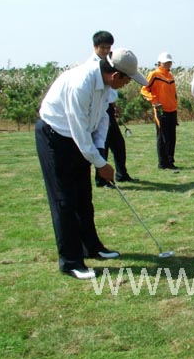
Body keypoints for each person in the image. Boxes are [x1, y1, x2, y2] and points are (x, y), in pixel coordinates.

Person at [35, 48, 148, 280]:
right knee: (64, 201)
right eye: (127, 80)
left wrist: (99, 153)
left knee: (84, 197)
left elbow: (103, 118)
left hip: (79, 138)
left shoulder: (106, 85)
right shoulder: (81, 84)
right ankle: (70, 262)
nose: (127, 85)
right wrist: (100, 163)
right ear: (115, 75)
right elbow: (78, 129)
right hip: (55, 137)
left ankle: (92, 247)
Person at [88, 31, 137, 188]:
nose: (105, 51)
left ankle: (122, 174)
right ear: (95, 47)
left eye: (108, 48)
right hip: (97, 109)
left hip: (107, 106)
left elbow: (109, 91)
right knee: (103, 142)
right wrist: (103, 115)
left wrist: (113, 105)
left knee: (118, 144)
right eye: (102, 47)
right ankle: (102, 179)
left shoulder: (112, 63)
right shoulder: (93, 66)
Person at [141, 52, 179, 172]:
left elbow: (173, 93)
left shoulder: (170, 76)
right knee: (162, 136)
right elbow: (144, 90)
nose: (168, 64)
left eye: (170, 62)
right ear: (159, 63)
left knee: (171, 137)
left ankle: (170, 161)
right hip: (161, 110)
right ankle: (162, 163)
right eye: (166, 62)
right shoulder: (154, 74)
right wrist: (154, 100)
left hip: (172, 109)